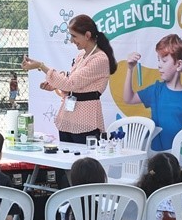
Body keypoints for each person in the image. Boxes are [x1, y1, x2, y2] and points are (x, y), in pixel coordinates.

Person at [22, 14, 117, 144]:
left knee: (83, 163)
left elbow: (71, 83)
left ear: (87, 35)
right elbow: (73, 85)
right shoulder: (81, 56)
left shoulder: (100, 59)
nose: (71, 40)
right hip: (67, 119)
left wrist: (40, 66)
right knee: (65, 161)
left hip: (86, 122)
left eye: (74, 36)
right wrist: (56, 86)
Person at [123, 32, 182, 152]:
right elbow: (128, 98)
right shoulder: (156, 90)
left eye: (164, 61)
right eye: (158, 60)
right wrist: (130, 69)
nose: (159, 65)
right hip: (155, 158)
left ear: (178, 65)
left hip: (177, 161)